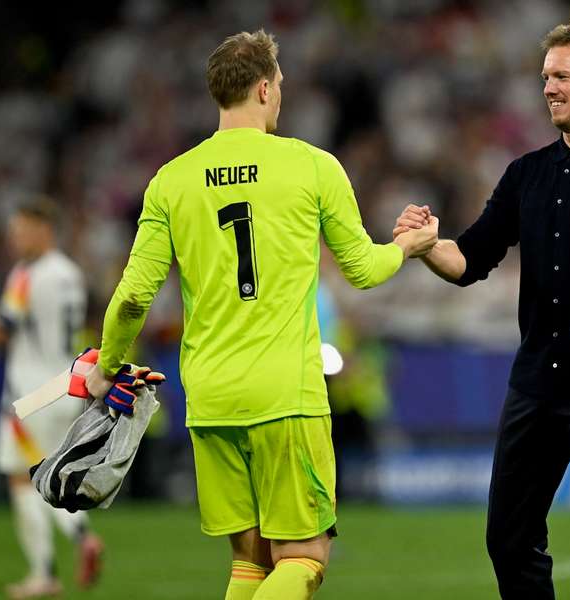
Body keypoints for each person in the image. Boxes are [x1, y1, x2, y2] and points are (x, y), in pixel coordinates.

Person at [84, 30, 437, 600]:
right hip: (285, 394)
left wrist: (110, 363)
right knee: (304, 558)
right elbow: (364, 270)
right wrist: (410, 247)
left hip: (209, 396)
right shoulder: (312, 166)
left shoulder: (170, 180)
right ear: (267, 89)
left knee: (249, 564)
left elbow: (131, 296)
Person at [394, 23, 570, 600]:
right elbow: (470, 258)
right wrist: (425, 246)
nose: (547, 87)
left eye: (561, 76)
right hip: (537, 382)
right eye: (545, 76)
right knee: (508, 537)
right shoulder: (525, 172)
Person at [0, 201, 104, 599]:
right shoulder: (69, 272)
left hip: (28, 396)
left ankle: (45, 571)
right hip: (65, 387)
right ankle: (80, 536)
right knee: (53, 475)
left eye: (20, 230)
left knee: (24, 480)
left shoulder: (26, 276)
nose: (14, 239)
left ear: (42, 228)